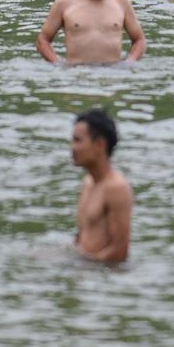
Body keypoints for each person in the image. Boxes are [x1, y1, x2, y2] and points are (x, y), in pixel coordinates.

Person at [70, 110, 132, 264]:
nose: (72, 148)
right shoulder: (88, 182)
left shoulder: (116, 188)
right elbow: (82, 234)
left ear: (99, 144)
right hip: (84, 267)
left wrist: (86, 269)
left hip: (99, 276)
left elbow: (120, 251)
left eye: (78, 140)